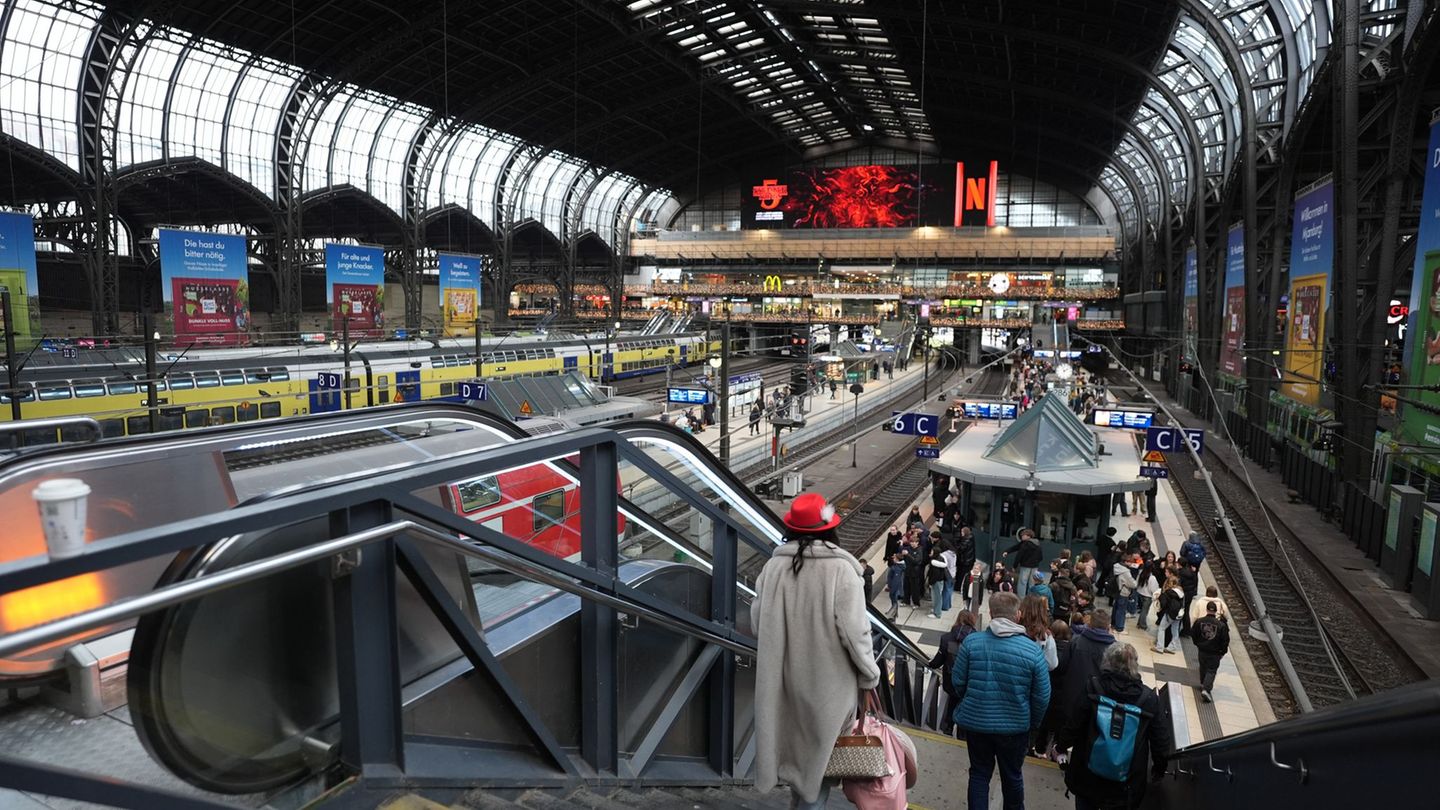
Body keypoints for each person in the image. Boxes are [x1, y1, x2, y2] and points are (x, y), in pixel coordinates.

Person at [751, 493, 880, 809]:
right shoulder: (841, 571)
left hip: (783, 687)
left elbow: (758, 624)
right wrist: (870, 675)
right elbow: (855, 633)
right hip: (828, 689)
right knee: (818, 774)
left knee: (798, 765)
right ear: (829, 529)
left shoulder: (773, 568)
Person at [950, 592, 1051, 810]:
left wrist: (973, 698)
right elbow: (1042, 696)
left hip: (977, 723)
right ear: (1018, 615)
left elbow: (957, 681)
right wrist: (1032, 723)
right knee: (1012, 777)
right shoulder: (1032, 651)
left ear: (991, 613)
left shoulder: (971, 642)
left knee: (979, 774)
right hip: (1015, 728)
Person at [1059, 642, 1172, 810]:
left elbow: (1074, 724)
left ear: (1107, 661)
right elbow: (1160, 740)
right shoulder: (1148, 699)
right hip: (1126, 784)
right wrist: (1159, 768)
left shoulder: (1093, 687)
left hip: (1087, 776)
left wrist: (1060, 746)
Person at [1053, 608, 1116, 751]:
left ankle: (1059, 753)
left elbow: (1061, 668)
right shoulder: (1115, 649)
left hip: (1071, 699)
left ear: (1089, 624)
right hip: (1099, 703)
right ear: (1108, 626)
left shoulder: (1075, 642)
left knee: (1065, 730)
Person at [1192, 601, 1231, 703]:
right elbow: (1225, 640)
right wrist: (1223, 651)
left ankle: (1203, 683)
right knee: (1211, 670)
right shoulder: (1221, 625)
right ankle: (1206, 689)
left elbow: (1193, 633)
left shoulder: (1199, 621)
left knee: (1203, 666)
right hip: (1215, 652)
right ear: (1216, 611)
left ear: (1207, 609)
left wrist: (1197, 643)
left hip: (1202, 649)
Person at [1001, 527, 1043, 598]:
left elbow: (1019, 555)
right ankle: (1031, 598)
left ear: (1028, 536)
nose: (1022, 536)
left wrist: (1014, 566)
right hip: (1035, 566)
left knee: (1022, 583)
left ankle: (1021, 599)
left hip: (1025, 566)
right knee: (1032, 583)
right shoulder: (1037, 544)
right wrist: (1007, 551)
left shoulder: (1025, 544)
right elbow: (1041, 557)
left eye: (1023, 535)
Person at [1154, 575, 1184, 655]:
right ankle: (1172, 647)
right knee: (1175, 630)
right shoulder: (1181, 592)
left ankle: (1159, 647)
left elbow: (1163, 604)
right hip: (1179, 614)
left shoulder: (1167, 592)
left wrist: (1160, 597)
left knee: (1161, 628)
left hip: (1170, 613)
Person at [1109, 557, 1138, 633]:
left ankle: (1113, 624)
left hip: (1117, 590)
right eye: (1130, 562)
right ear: (1126, 562)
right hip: (1124, 592)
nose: (1132, 564)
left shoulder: (1117, 567)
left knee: (1116, 608)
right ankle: (1119, 627)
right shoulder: (1125, 572)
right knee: (1121, 610)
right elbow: (1133, 584)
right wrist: (1136, 581)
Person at [1134, 560, 1161, 633]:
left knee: (1142, 610)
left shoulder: (1141, 574)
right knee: (1144, 611)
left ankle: (1139, 623)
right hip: (1147, 596)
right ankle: (1142, 625)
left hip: (1140, 594)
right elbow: (1154, 589)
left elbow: (1137, 583)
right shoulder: (1152, 578)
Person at [903, 534, 926, 608]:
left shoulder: (919, 550)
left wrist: (908, 555)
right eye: (911, 542)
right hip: (907, 571)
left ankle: (916, 603)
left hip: (915, 572)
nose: (912, 544)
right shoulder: (908, 549)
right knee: (906, 587)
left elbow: (916, 561)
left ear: (917, 543)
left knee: (914, 588)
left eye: (914, 542)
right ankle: (906, 601)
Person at [1177, 562, 1199, 638]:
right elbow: (1195, 582)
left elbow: (1179, 583)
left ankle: (1179, 628)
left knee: (1181, 611)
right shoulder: (1192, 573)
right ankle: (1187, 630)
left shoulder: (1181, 573)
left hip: (1183, 594)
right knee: (1186, 612)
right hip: (1190, 594)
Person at [928, 544, 949, 619]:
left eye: (932, 551)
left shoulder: (934, 561)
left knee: (937, 597)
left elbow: (934, 574)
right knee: (937, 596)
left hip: (936, 582)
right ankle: (936, 610)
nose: (930, 552)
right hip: (940, 581)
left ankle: (937, 613)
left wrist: (930, 582)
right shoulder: (942, 558)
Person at [885, 553, 906, 618]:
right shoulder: (897, 566)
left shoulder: (897, 568)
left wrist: (892, 589)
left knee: (894, 600)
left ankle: (893, 613)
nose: (893, 558)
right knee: (894, 600)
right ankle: (894, 612)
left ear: (897, 559)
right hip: (894, 586)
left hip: (895, 587)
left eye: (894, 558)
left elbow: (896, 580)